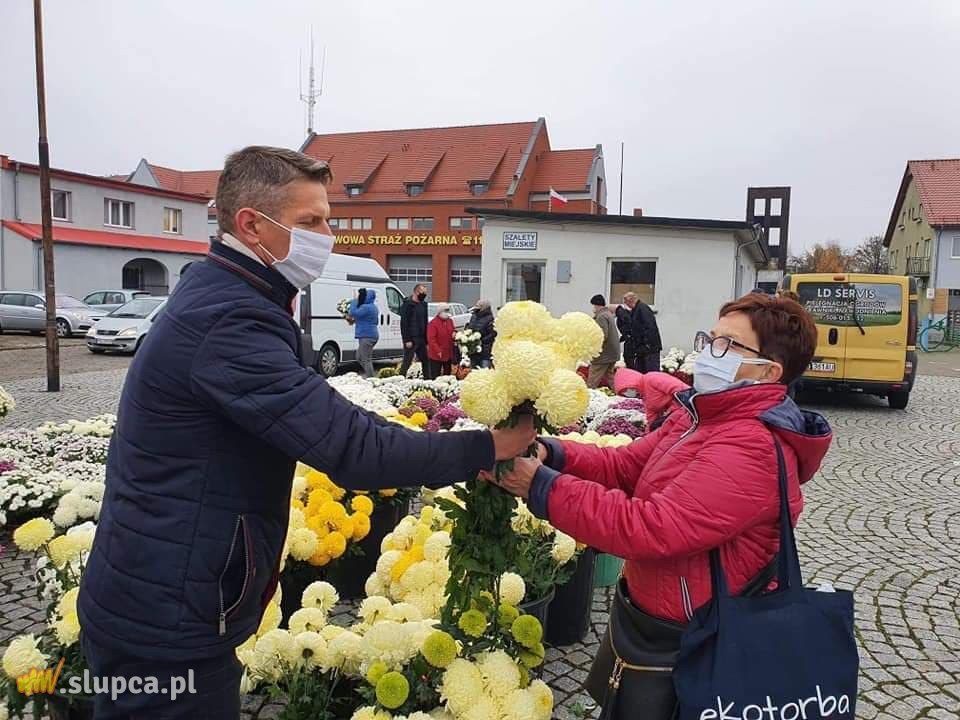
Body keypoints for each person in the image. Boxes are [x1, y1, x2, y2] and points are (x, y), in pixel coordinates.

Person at [77, 146, 536, 719]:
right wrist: (488, 446)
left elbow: (319, 415)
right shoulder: (230, 320)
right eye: (310, 222)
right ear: (250, 224)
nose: (328, 235)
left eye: (329, 219)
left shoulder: (229, 295)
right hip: (166, 620)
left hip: (158, 594)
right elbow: (352, 448)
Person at [494, 293, 832, 717]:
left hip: (695, 637)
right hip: (652, 622)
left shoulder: (752, 445)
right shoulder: (699, 416)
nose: (711, 352)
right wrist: (552, 454)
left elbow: (653, 528)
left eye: (728, 345)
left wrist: (542, 487)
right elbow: (626, 466)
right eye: (711, 339)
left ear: (769, 371)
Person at [624, 291, 662, 373]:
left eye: (626, 302)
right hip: (642, 349)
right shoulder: (637, 309)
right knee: (641, 373)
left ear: (630, 301)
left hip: (649, 349)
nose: (626, 305)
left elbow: (650, 327)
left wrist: (647, 345)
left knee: (651, 373)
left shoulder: (642, 309)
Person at [587, 294, 619, 388]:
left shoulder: (601, 316)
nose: (593, 308)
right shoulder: (608, 314)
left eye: (593, 305)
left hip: (604, 353)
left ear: (597, 305)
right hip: (612, 352)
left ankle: (590, 394)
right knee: (610, 376)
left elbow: (602, 335)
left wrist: (593, 347)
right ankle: (619, 392)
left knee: (594, 375)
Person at [399, 283, 429, 378]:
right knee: (407, 361)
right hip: (411, 339)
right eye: (422, 292)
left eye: (425, 293)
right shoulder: (407, 305)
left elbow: (425, 321)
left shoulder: (423, 305)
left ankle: (428, 380)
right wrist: (407, 339)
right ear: (416, 292)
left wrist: (426, 340)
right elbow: (404, 323)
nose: (424, 295)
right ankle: (400, 379)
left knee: (426, 360)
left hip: (421, 339)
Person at [349, 287, 379, 378]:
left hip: (367, 336)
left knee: (365, 359)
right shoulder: (373, 307)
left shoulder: (366, 307)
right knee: (359, 356)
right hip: (369, 335)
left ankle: (371, 379)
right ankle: (370, 374)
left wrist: (354, 300)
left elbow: (353, 312)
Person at [427, 304, 456, 378]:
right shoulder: (433, 323)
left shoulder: (450, 321)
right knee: (435, 375)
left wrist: (454, 334)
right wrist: (438, 350)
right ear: (440, 312)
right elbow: (431, 339)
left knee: (447, 375)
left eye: (448, 311)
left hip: (448, 353)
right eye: (445, 311)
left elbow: (452, 331)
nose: (447, 313)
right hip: (436, 355)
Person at [467, 299, 496, 368]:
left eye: (479, 307)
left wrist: (480, 341)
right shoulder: (473, 316)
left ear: (483, 308)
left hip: (485, 352)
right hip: (473, 352)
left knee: (484, 372)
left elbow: (492, 334)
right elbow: (469, 328)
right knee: (474, 371)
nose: (476, 309)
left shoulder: (490, 318)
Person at [615, 298, 637, 370]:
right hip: (630, 339)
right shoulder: (630, 312)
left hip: (630, 341)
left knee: (629, 359)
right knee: (629, 359)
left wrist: (626, 335)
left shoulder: (622, 313)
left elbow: (628, 324)